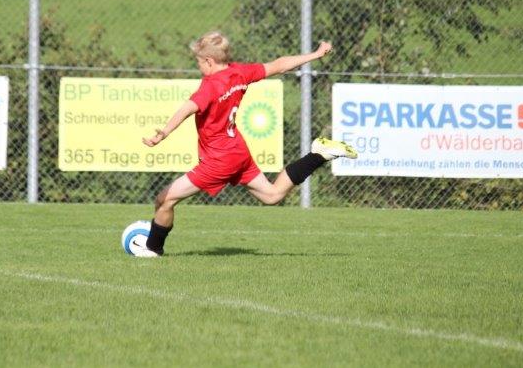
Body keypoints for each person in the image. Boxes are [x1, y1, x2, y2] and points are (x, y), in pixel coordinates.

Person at [137, 31, 358, 257]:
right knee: (272, 195)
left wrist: (163, 133)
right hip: (237, 151)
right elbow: (280, 65)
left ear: (209, 61)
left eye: (199, 62)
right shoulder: (239, 72)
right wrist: (315, 54)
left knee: (165, 199)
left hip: (219, 160)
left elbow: (187, 108)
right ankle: (319, 154)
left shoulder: (210, 86)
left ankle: (152, 249)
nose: (199, 66)